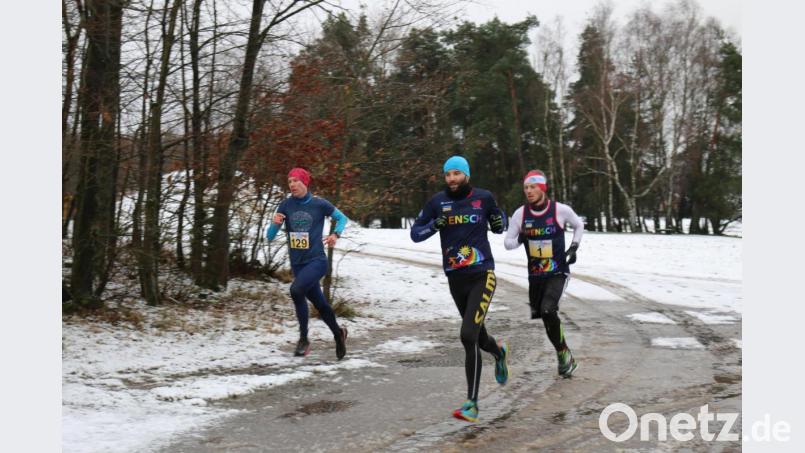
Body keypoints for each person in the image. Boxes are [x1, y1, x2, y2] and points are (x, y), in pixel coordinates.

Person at [410, 155, 510, 423]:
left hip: (482, 275)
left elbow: (499, 220)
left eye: (456, 173)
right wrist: (434, 225)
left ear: (466, 174)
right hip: (456, 279)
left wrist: (500, 222)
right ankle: (499, 353)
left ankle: (472, 404)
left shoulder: (483, 197)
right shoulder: (437, 203)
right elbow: (415, 233)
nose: (452, 179)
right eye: (447, 175)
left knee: (467, 335)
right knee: (478, 337)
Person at [504, 170, 584, 378]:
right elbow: (508, 243)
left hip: (558, 272)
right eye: (526, 188)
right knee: (546, 317)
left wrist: (573, 247)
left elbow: (578, 225)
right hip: (536, 276)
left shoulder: (560, 210)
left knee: (549, 310)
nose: (529, 191)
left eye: (533, 187)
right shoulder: (520, 214)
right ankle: (563, 354)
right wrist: (521, 237)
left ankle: (564, 354)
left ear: (543, 188)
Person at [266, 167, 349, 360]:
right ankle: (339, 333)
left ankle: (304, 339)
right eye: (289, 182)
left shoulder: (319, 204)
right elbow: (270, 237)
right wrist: (275, 223)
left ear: (305, 182)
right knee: (321, 304)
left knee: (296, 291)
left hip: (317, 261)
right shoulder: (285, 205)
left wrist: (336, 234)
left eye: (296, 181)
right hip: (298, 264)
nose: (292, 185)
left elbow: (342, 218)